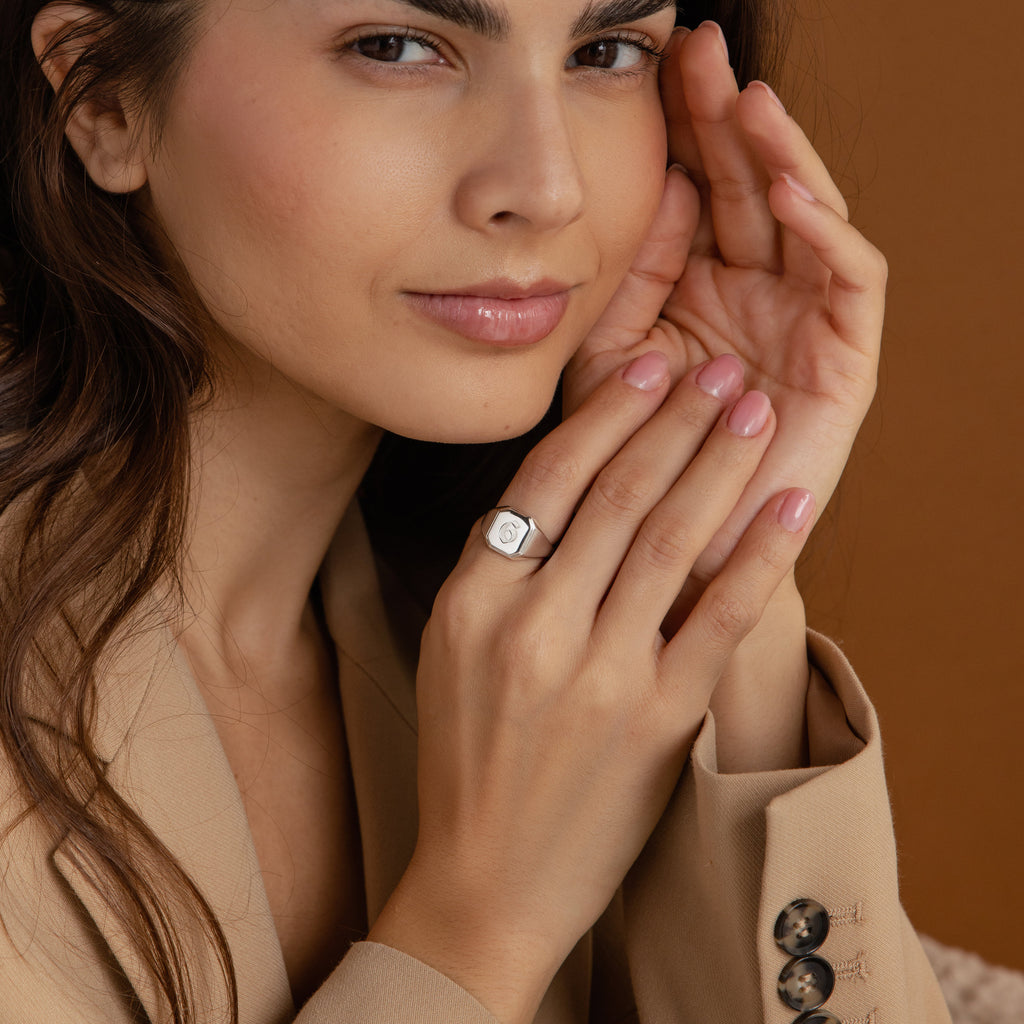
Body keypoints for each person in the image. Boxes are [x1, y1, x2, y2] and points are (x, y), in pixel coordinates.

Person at [0, 0, 952, 1021]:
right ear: (103, 99)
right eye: (397, 48)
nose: (546, 188)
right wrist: (475, 928)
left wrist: (722, 590)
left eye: (605, 52)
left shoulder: (512, 655)